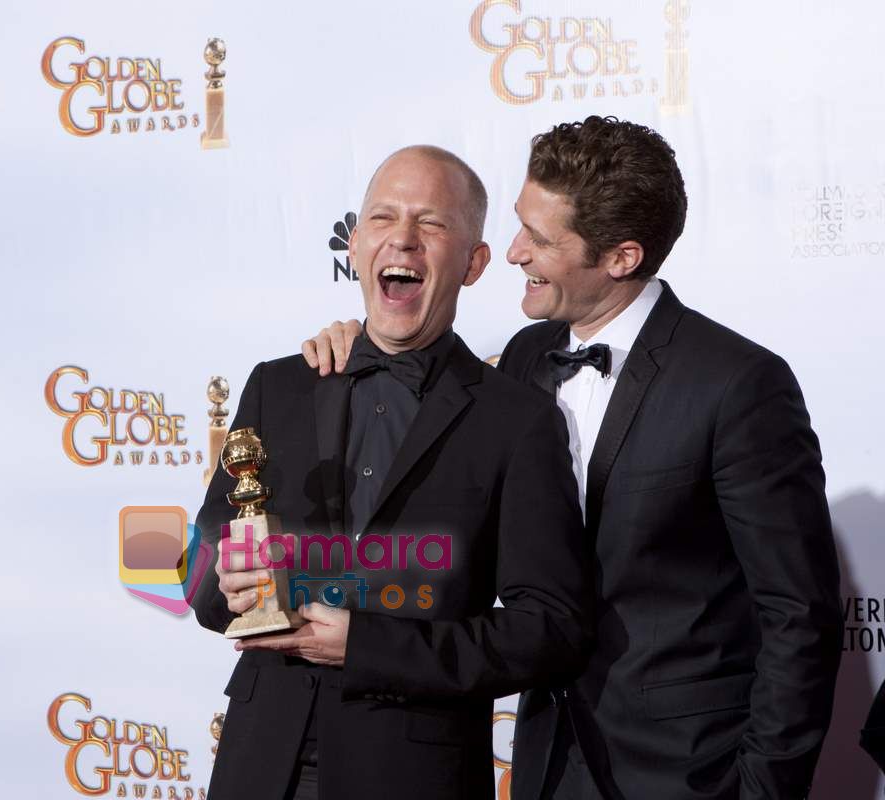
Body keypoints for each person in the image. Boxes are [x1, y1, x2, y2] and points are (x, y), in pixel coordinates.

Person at [302, 116, 843, 800]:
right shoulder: (524, 359)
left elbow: (798, 614)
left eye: (540, 238)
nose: (514, 251)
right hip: (545, 763)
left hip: (688, 774)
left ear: (619, 258)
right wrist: (360, 347)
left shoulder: (737, 384)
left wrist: (761, 791)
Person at [190, 145, 591, 800]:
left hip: (413, 775)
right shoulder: (278, 387)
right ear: (354, 244)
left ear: (474, 262)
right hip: (258, 765)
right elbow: (202, 575)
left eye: (431, 224)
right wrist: (225, 582)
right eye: (382, 217)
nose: (402, 237)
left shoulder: (516, 421)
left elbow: (549, 630)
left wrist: (369, 647)